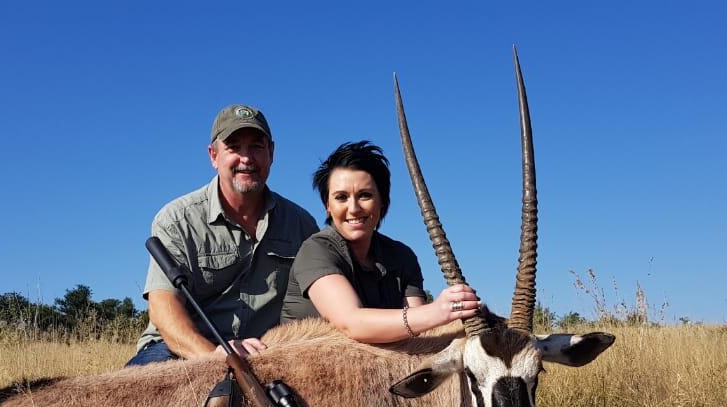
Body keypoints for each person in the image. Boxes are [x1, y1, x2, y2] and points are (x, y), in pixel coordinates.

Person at [128, 104, 318, 366]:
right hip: (182, 350)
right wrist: (213, 356)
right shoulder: (176, 219)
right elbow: (163, 307)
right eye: (234, 148)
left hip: (264, 352)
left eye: (256, 147)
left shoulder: (301, 224)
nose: (246, 158)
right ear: (213, 156)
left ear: (271, 153)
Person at [281, 141, 480, 342]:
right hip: (304, 367)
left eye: (365, 195)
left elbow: (419, 328)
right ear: (328, 206)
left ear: (382, 201)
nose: (354, 208)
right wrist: (437, 311)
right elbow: (350, 323)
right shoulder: (315, 251)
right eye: (341, 197)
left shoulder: (402, 255)